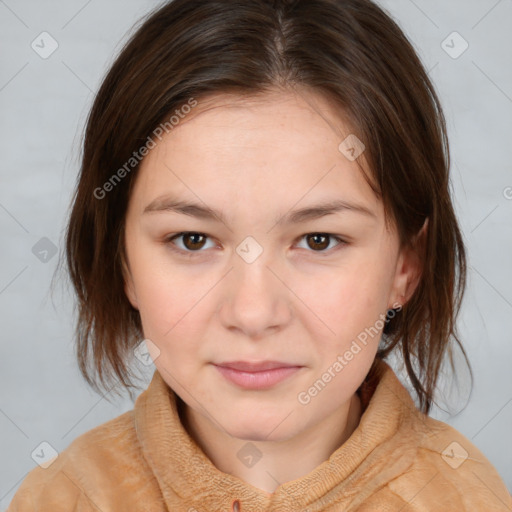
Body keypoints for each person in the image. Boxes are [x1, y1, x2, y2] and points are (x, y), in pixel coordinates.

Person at [8, 0, 512, 510]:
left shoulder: (464, 499)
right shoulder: (62, 498)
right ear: (123, 262)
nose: (252, 314)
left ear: (406, 266)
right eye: (192, 240)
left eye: (318, 240)